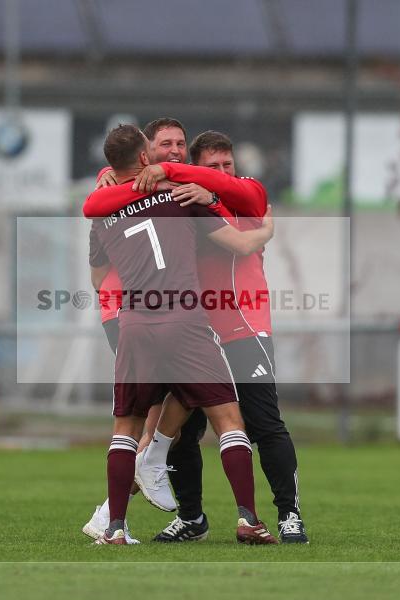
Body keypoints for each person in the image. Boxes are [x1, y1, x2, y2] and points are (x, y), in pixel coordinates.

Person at [83, 130, 309, 544]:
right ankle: (245, 520)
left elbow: (99, 277)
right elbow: (241, 242)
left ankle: (114, 525)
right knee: (228, 421)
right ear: (146, 153)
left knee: (127, 427)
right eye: (161, 147)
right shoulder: (178, 197)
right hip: (187, 319)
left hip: (139, 321)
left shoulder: (104, 210)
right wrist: (267, 232)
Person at [81, 118, 216, 541]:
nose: (174, 151)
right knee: (149, 422)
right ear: (146, 154)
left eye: (181, 143)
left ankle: (185, 517)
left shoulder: (155, 192)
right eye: (164, 145)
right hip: (136, 316)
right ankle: (109, 517)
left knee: (181, 424)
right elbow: (99, 275)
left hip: (153, 314)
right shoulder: (127, 196)